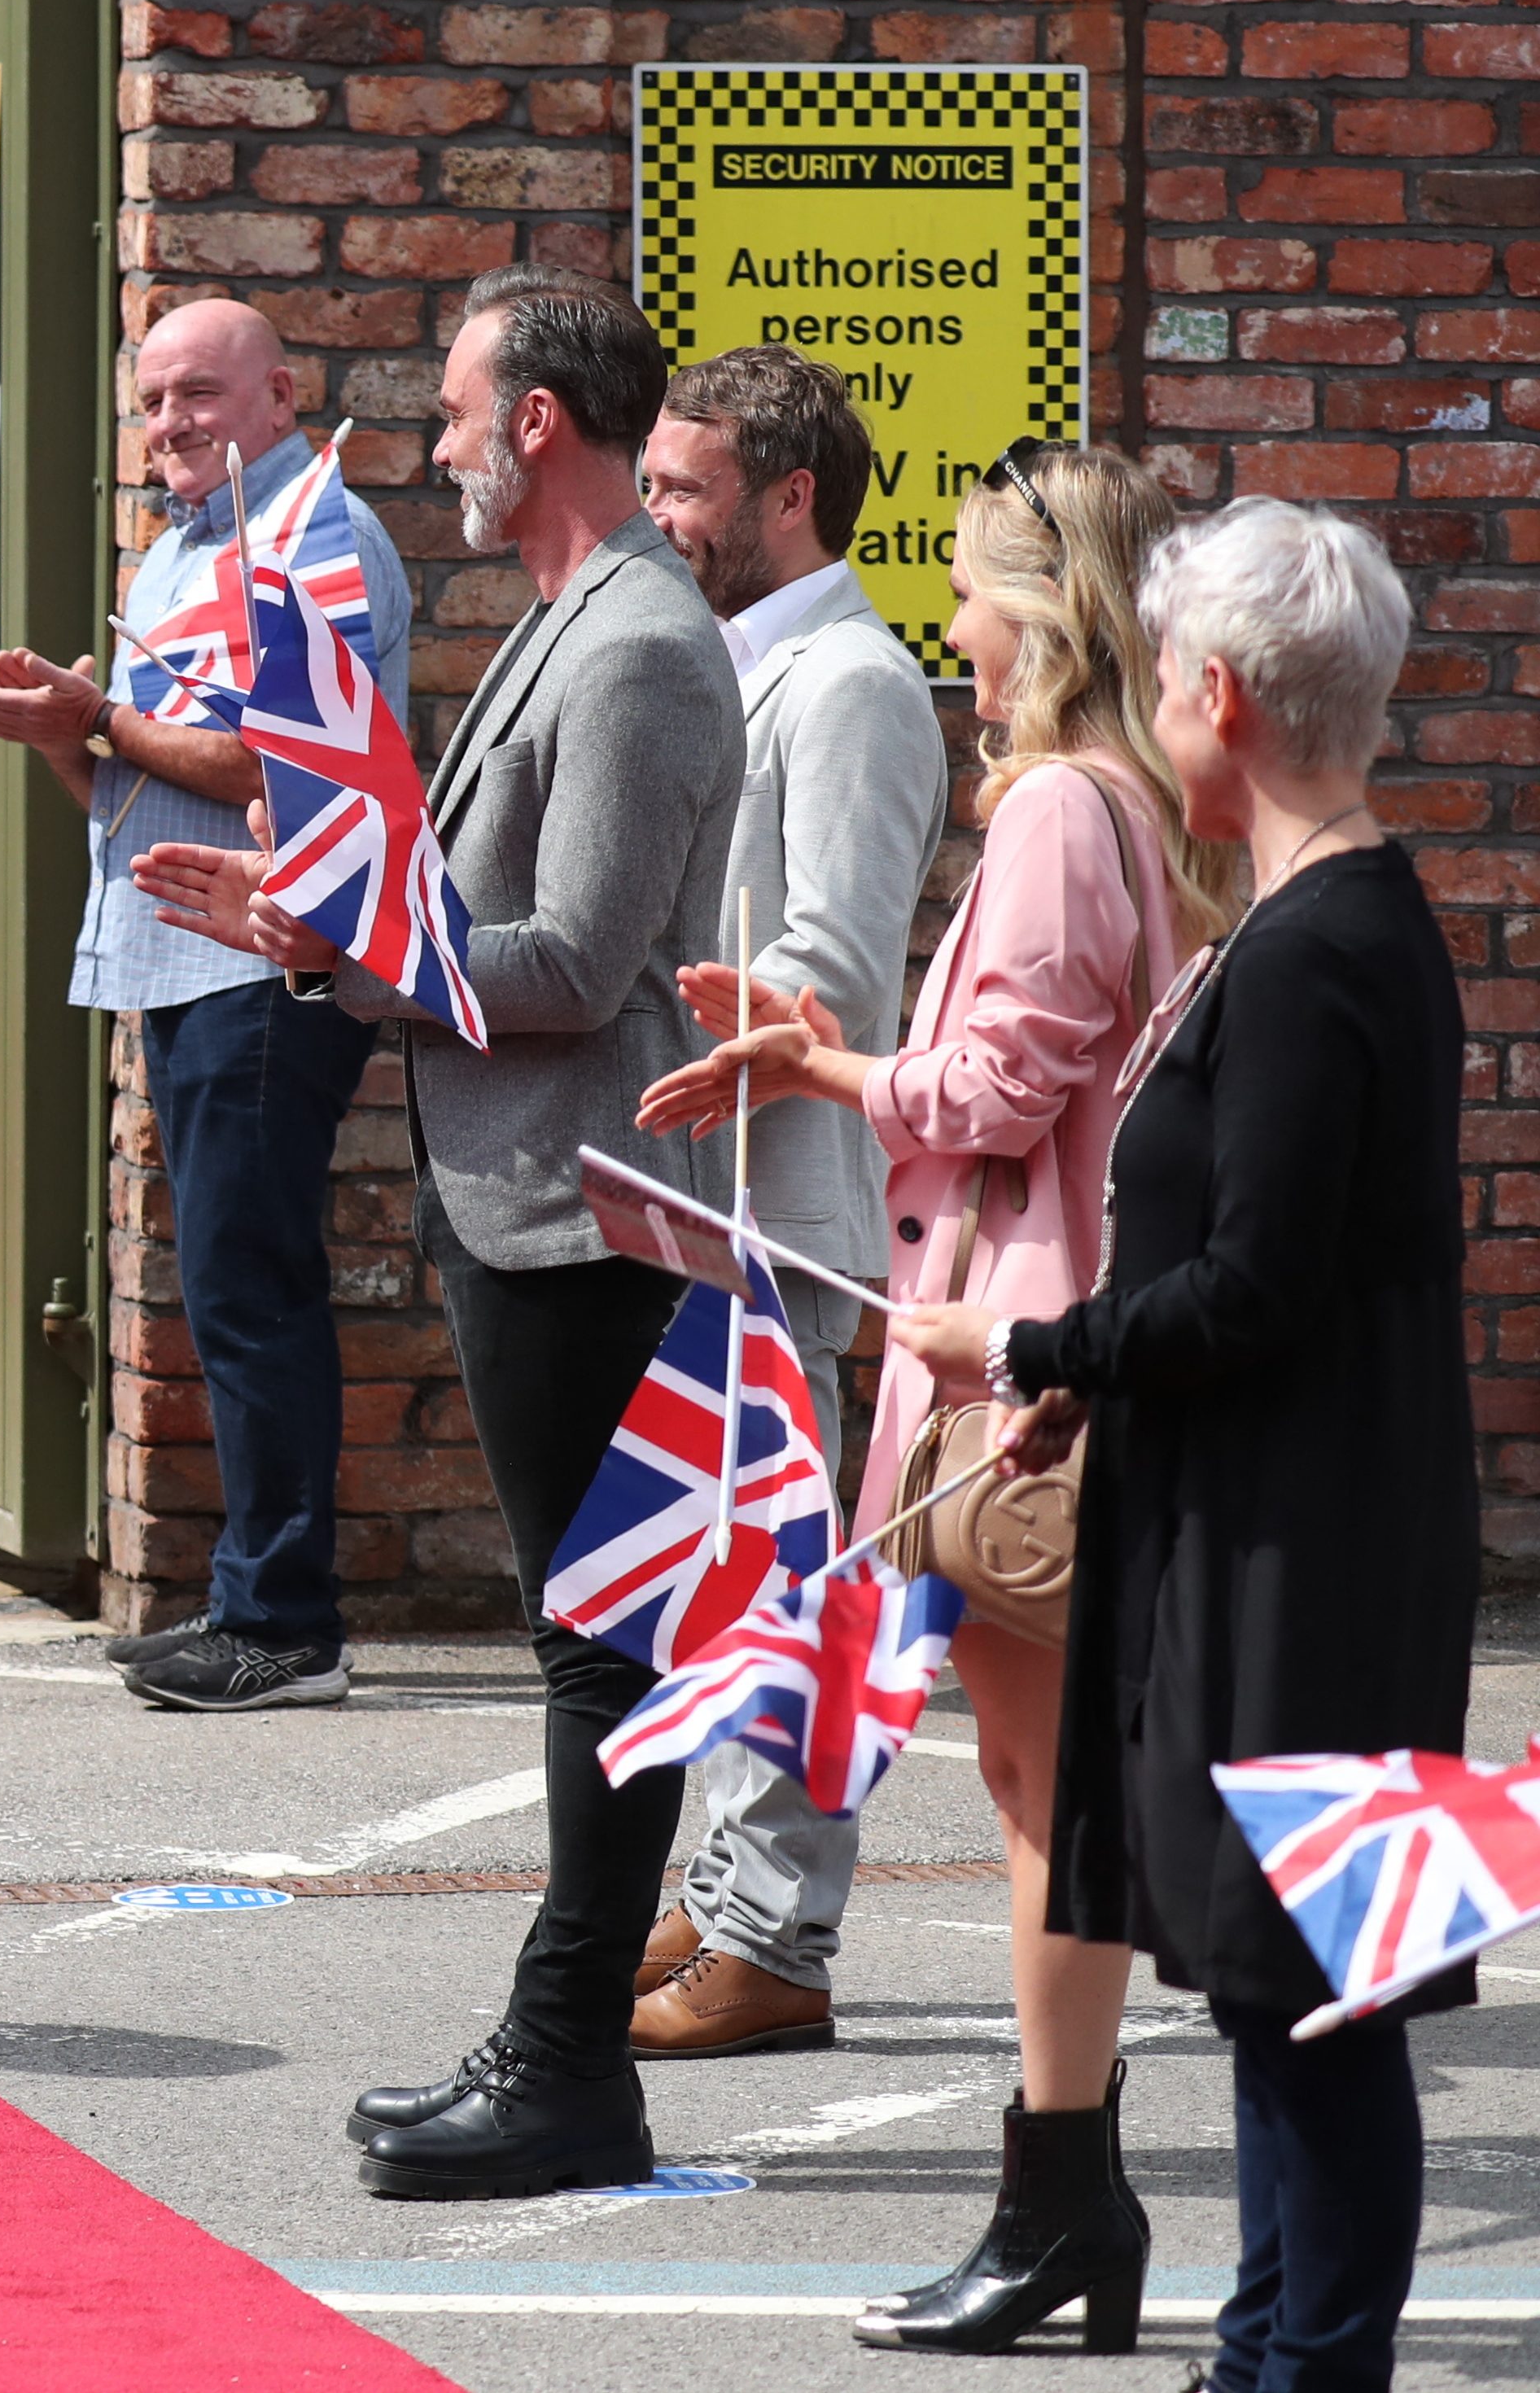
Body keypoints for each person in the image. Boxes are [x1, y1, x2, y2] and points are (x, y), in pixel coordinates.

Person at [142, 265, 740, 2198]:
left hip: (583, 1207)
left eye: (460, 414)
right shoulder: (569, 614)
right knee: (589, 1635)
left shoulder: (635, 639)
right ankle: (562, 2048)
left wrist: (349, 953)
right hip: (521, 1187)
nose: (439, 448)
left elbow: (573, 960)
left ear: (538, 423)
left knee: (602, 1645)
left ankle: (565, 2058)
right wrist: (316, 927)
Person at [645, 442, 1227, 2348]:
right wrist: (849, 1052)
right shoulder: (1127, 798)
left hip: (1012, 1358)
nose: (950, 627)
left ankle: (1061, 2191)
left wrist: (825, 1077)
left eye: (971, 589)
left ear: (1043, 611)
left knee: (1045, 1800)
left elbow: (995, 1090)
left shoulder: (1063, 801)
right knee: (1034, 1787)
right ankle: (1064, 2191)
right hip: (1041, 1335)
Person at [893, 499, 1463, 2386]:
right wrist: (1084, 1374)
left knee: (1310, 1990)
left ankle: (1302, 2360)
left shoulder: (1316, 946)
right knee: (1270, 1981)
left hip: (1302, 1538)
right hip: (1282, 1512)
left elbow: (1252, 1287)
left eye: (1166, 679)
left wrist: (1029, 1336)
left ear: (1216, 695)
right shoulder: (1322, 922)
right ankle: (1263, 2345)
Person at [0, 297, 410, 1711]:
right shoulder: (174, 551)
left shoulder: (312, 534)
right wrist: (69, 733)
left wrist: (95, 715)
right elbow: (134, 782)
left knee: (251, 1284)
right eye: (152, 401)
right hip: (182, 957)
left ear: (279, 393)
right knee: (224, 1283)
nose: (169, 425)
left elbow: (277, 766)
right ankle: (248, 1600)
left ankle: (286, 1622)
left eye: (199, 395)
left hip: (264, 960)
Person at [620, 346, 955, 2058]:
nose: (656, 513)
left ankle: (776, 1942)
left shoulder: (851, 686)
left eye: (684, 489)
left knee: (790, 1588)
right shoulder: (738, 664)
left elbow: (832, 952)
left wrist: (675, 1009)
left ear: (789, 496)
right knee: (732, 1577)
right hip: (709, 1195)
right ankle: (718, 1893)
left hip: (794, 1202)